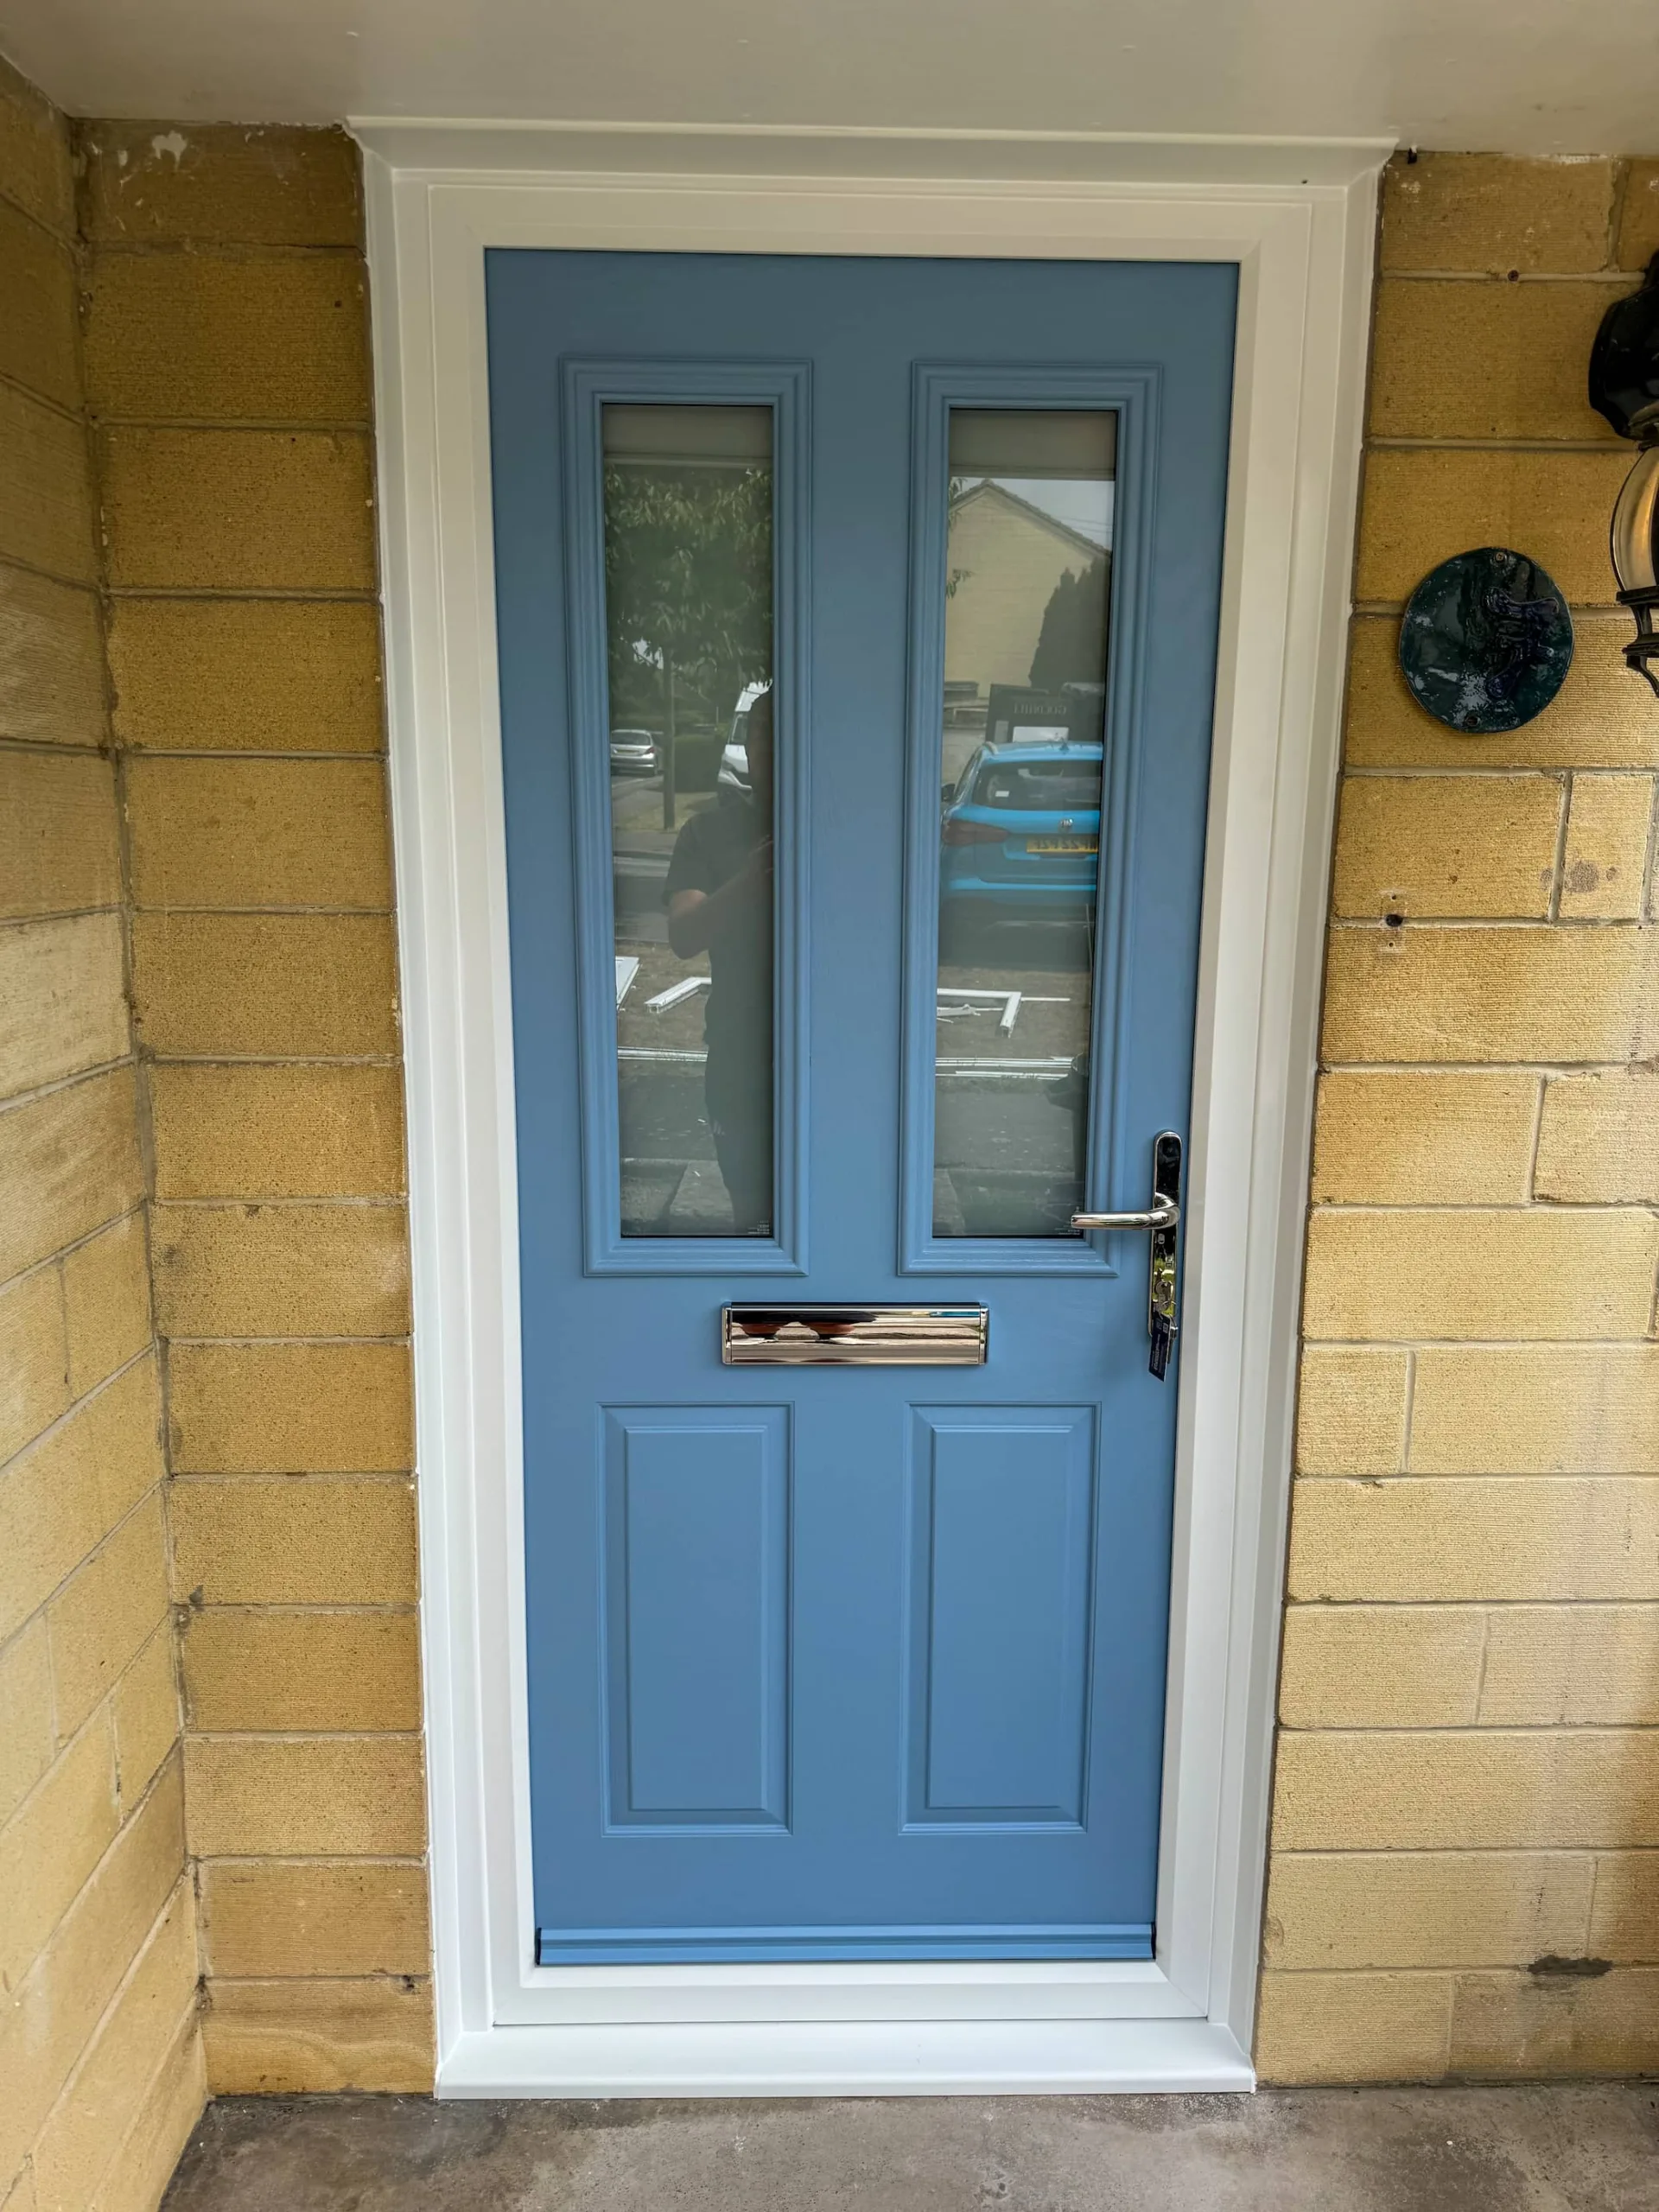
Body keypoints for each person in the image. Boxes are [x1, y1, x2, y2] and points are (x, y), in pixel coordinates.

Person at [664, 689, 774, 1232]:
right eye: (762, 733)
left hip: (841, 1060)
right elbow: (684, 934)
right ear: (747, 745)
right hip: (739, 1055)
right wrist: (753, 879)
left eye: (785, 733)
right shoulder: (708, 832)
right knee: (753, 1216)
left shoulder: (850, 829)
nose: (772, 748)